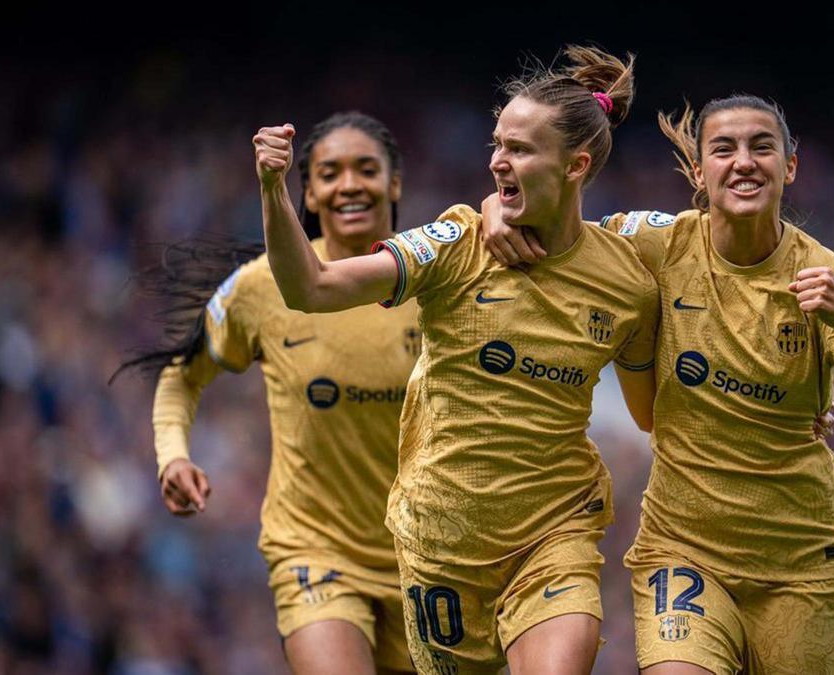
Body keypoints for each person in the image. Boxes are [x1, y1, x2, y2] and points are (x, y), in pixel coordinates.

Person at [252, 46, 659, 675]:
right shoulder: (458, 244)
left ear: (576, 165)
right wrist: (273, 189)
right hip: (441, 542)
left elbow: (652, 412)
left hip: (554, 535)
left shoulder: (627, 280)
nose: (497, 160)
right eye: (497, 144)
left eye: (519, 149)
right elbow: (313, 287)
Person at [482, 94, 834, 674]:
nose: (744, 161)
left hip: (803, 562)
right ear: (697, 170)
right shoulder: (658, 242)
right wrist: (495, 208)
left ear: (789, 166)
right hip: (683, 548)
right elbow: (559, 222)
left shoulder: (825, 275)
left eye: (761, 147)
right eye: (723, 148)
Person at [125, 111, 418, 675]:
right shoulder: (261, 288)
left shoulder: (434, 282)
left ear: (395, 183)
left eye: (366, 169)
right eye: (329, 173)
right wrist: (173, 455)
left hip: (426, 558)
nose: (349, 185)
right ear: (307, 193)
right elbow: (182, 376)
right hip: (315, 552)